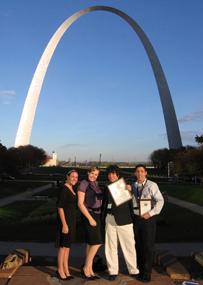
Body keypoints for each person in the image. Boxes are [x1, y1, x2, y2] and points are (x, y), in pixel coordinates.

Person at [103, 165, 139, 281]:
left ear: (118, 175)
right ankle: (112, 271)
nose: (111, 176)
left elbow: (134, 203)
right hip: (110, 219)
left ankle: (133, 270)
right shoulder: (106, 188)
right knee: (110, 247)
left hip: (125, 220)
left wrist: (131, 191)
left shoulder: (125, 186)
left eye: (113, 173)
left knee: (129, 246)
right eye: (109, 174)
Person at [131, 164, 164, 283]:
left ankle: (147, 273)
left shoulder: (152, 185)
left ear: (146, 173)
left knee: (148, 246)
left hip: (148, 219)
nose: (139, 173)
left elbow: (160, 201)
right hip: (136, 219)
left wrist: (151, 213)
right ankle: (140, 269)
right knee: (138, 246)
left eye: (142, 171)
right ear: (135, 173)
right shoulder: (134, 185)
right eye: (137, 171)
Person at [77, 166, 103, 280]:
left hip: (97, 215)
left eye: (96, 174)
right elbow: (80, 204)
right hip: (89, 215)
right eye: (92, 173)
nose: (94, 176)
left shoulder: (95, 183)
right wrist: (90, 218)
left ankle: (90, 269)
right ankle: (86, 268)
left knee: (90, 243)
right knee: (97, 242)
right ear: (88, 173)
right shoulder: (84, 183)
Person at [56, 169, 79, 280]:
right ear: (67, 177)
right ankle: (60, 270)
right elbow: (60, 207)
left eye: (76, 177)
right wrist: (64, 225)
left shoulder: (72, 188)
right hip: (66, 222)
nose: (74, 178)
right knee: (63, 247)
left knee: (68, 247)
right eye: (73, 176)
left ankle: (66, 269)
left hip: (71, 221)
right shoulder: (64, 189)